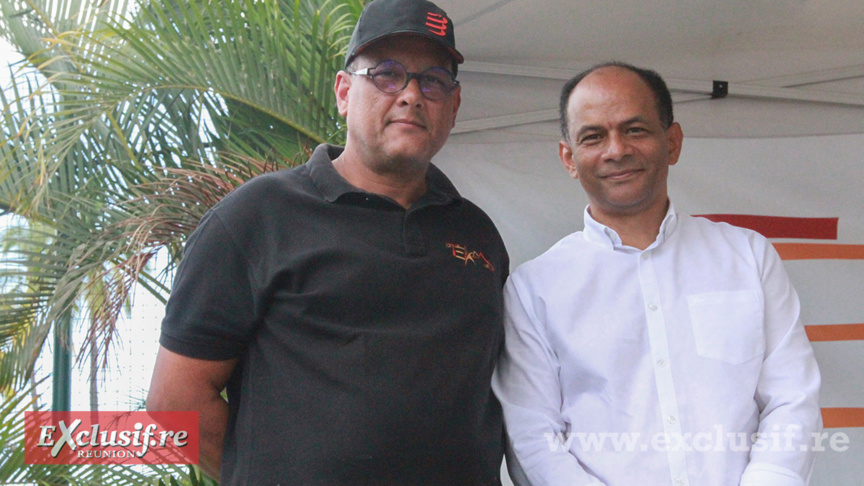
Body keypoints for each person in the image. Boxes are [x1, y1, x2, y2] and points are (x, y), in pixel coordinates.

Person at [146, 0, 509, 483]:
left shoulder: (477, 233)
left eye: (434, 81)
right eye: (387, 74)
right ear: (343, 92)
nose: (411, 95)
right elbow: (175, 403)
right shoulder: (257, 217)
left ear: (454, 106)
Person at [491, 62, 822, 486]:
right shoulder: (534, 289)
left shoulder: (748, 256)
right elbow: (532, 437)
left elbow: (792, 399)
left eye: (635, 130)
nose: (616, 150)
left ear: (673, 142)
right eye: (593, 136)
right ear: (569, 158)